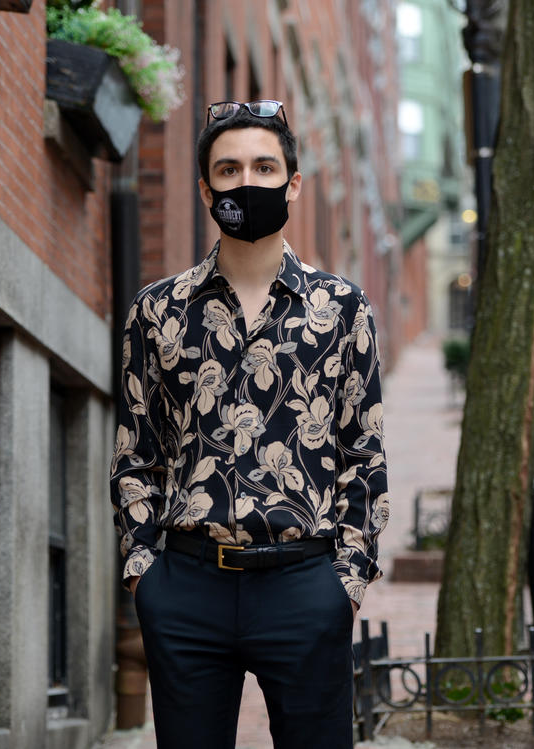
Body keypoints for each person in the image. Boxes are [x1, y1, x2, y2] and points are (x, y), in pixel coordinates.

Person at [110, 99, 390, 749]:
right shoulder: (156, 311)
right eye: (229, 169)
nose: (247, 182)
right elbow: (134, 453)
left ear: (293, 183)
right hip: (185, 588)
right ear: (206, 189)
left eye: (265, 167)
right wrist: (142, 571)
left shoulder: (343, 309)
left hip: (305, 584)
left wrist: (347, 580)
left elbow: (365, 454)